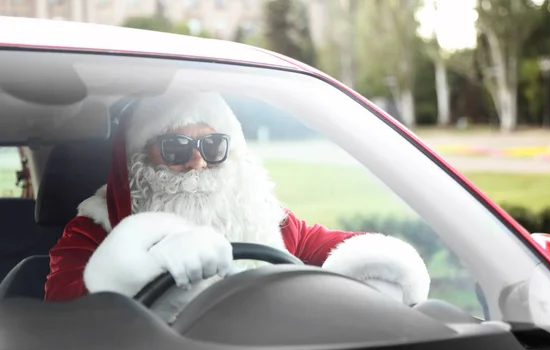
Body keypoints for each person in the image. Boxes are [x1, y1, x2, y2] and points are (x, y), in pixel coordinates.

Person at [45, 89, 431, 321]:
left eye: (213, 147)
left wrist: (378, 269)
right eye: (176, 148)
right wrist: (139, 264)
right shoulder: (96, 226)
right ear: (140, 157)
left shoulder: (262, 215)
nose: (197, 162)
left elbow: (332, 246)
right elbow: (65, 312)